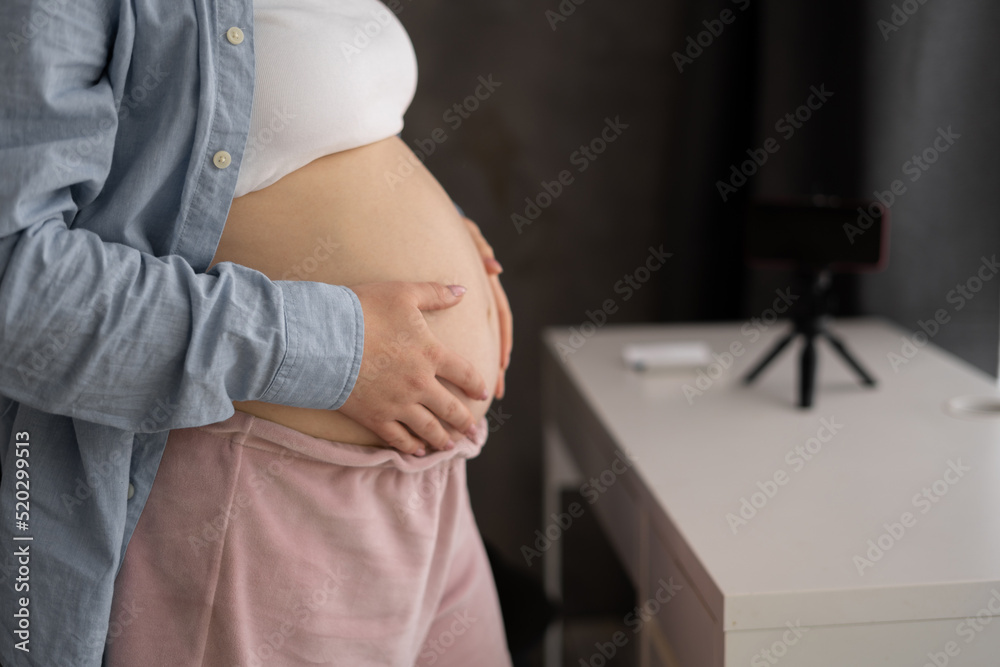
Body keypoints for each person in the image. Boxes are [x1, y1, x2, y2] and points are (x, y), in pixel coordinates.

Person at [0, 0, 513, 664]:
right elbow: (18, 283)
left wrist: (449, 230)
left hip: (428, 477)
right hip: (260, 486)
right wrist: (340, 349)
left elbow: (308, 130)